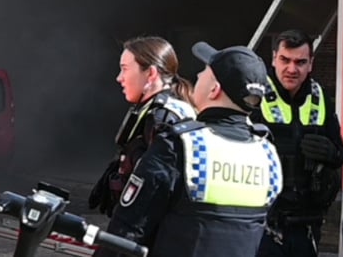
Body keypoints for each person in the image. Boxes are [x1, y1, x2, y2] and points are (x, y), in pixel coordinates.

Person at [96, 42, 282, 257]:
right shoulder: (268, 154)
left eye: (204, 72)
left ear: (215, 89)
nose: (197, 75)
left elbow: (126, 233)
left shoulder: (180, 145)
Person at [256, 29, 343, 257]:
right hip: (264, 222)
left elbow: (340, 155)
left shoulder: (320, 97)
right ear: (273, 58)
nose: (292, 69)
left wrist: (329, 152)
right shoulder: (254, 96)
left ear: (311, 64)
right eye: (285, 60)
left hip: (307, 221)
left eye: (300, 62)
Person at [89, 36, 196, 217]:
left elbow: (159, 189)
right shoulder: (160, 110)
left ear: (151, 74)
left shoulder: (164, 118)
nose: (119, 78)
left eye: (124, 69)